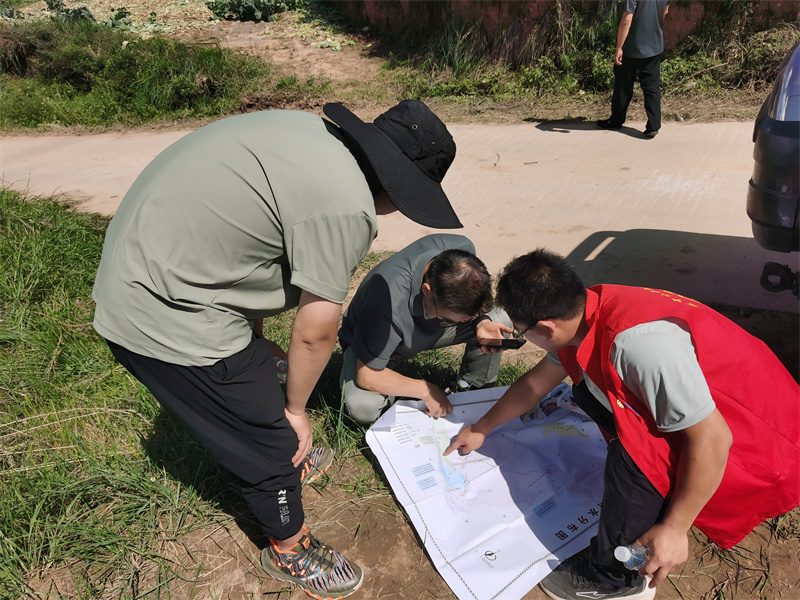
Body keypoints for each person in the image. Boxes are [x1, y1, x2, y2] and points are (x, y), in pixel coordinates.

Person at [92, 100, 462, 599]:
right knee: (268, 440)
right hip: (164, 311)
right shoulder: (345, 205)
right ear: (397, 186)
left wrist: (258, 338)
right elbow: (315, 332)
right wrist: (295, 411)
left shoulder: (308, 134)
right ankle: (289, 546)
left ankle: (282, 450)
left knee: (269, 372)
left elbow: (249, 246)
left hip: (148, 266)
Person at [445, 249, 799, 600]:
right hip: (711, 411)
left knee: (635, 456)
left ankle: (613, 577)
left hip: (761, 445)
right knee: (588, 395)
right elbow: (534, 385)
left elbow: (713, 439)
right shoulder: (586, 310)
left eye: (522, 331)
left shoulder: (637, 346)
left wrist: (675, 528)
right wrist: (482, 427)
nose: (521, 338)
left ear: (546, 327)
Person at [338, 234, 514, 425]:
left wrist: (481, 321)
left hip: (420, 326)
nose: (461, 322)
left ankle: (472, 391)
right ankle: (394, 405)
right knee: (363, 406)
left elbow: (474, 301)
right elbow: (367, 376)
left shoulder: (461, 254)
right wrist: (424, 390)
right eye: (449, 320)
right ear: (426, 290)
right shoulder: (386, 302)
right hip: (377, 340)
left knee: (498, 319)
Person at [597, 0, 670, 138]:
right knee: (652, 88)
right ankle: (654, 125)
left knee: (623, 87)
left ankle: (616, 120)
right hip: (654, 47)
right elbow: (665, 12)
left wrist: (619, 48)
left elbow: (626, 20)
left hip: (633, 48)